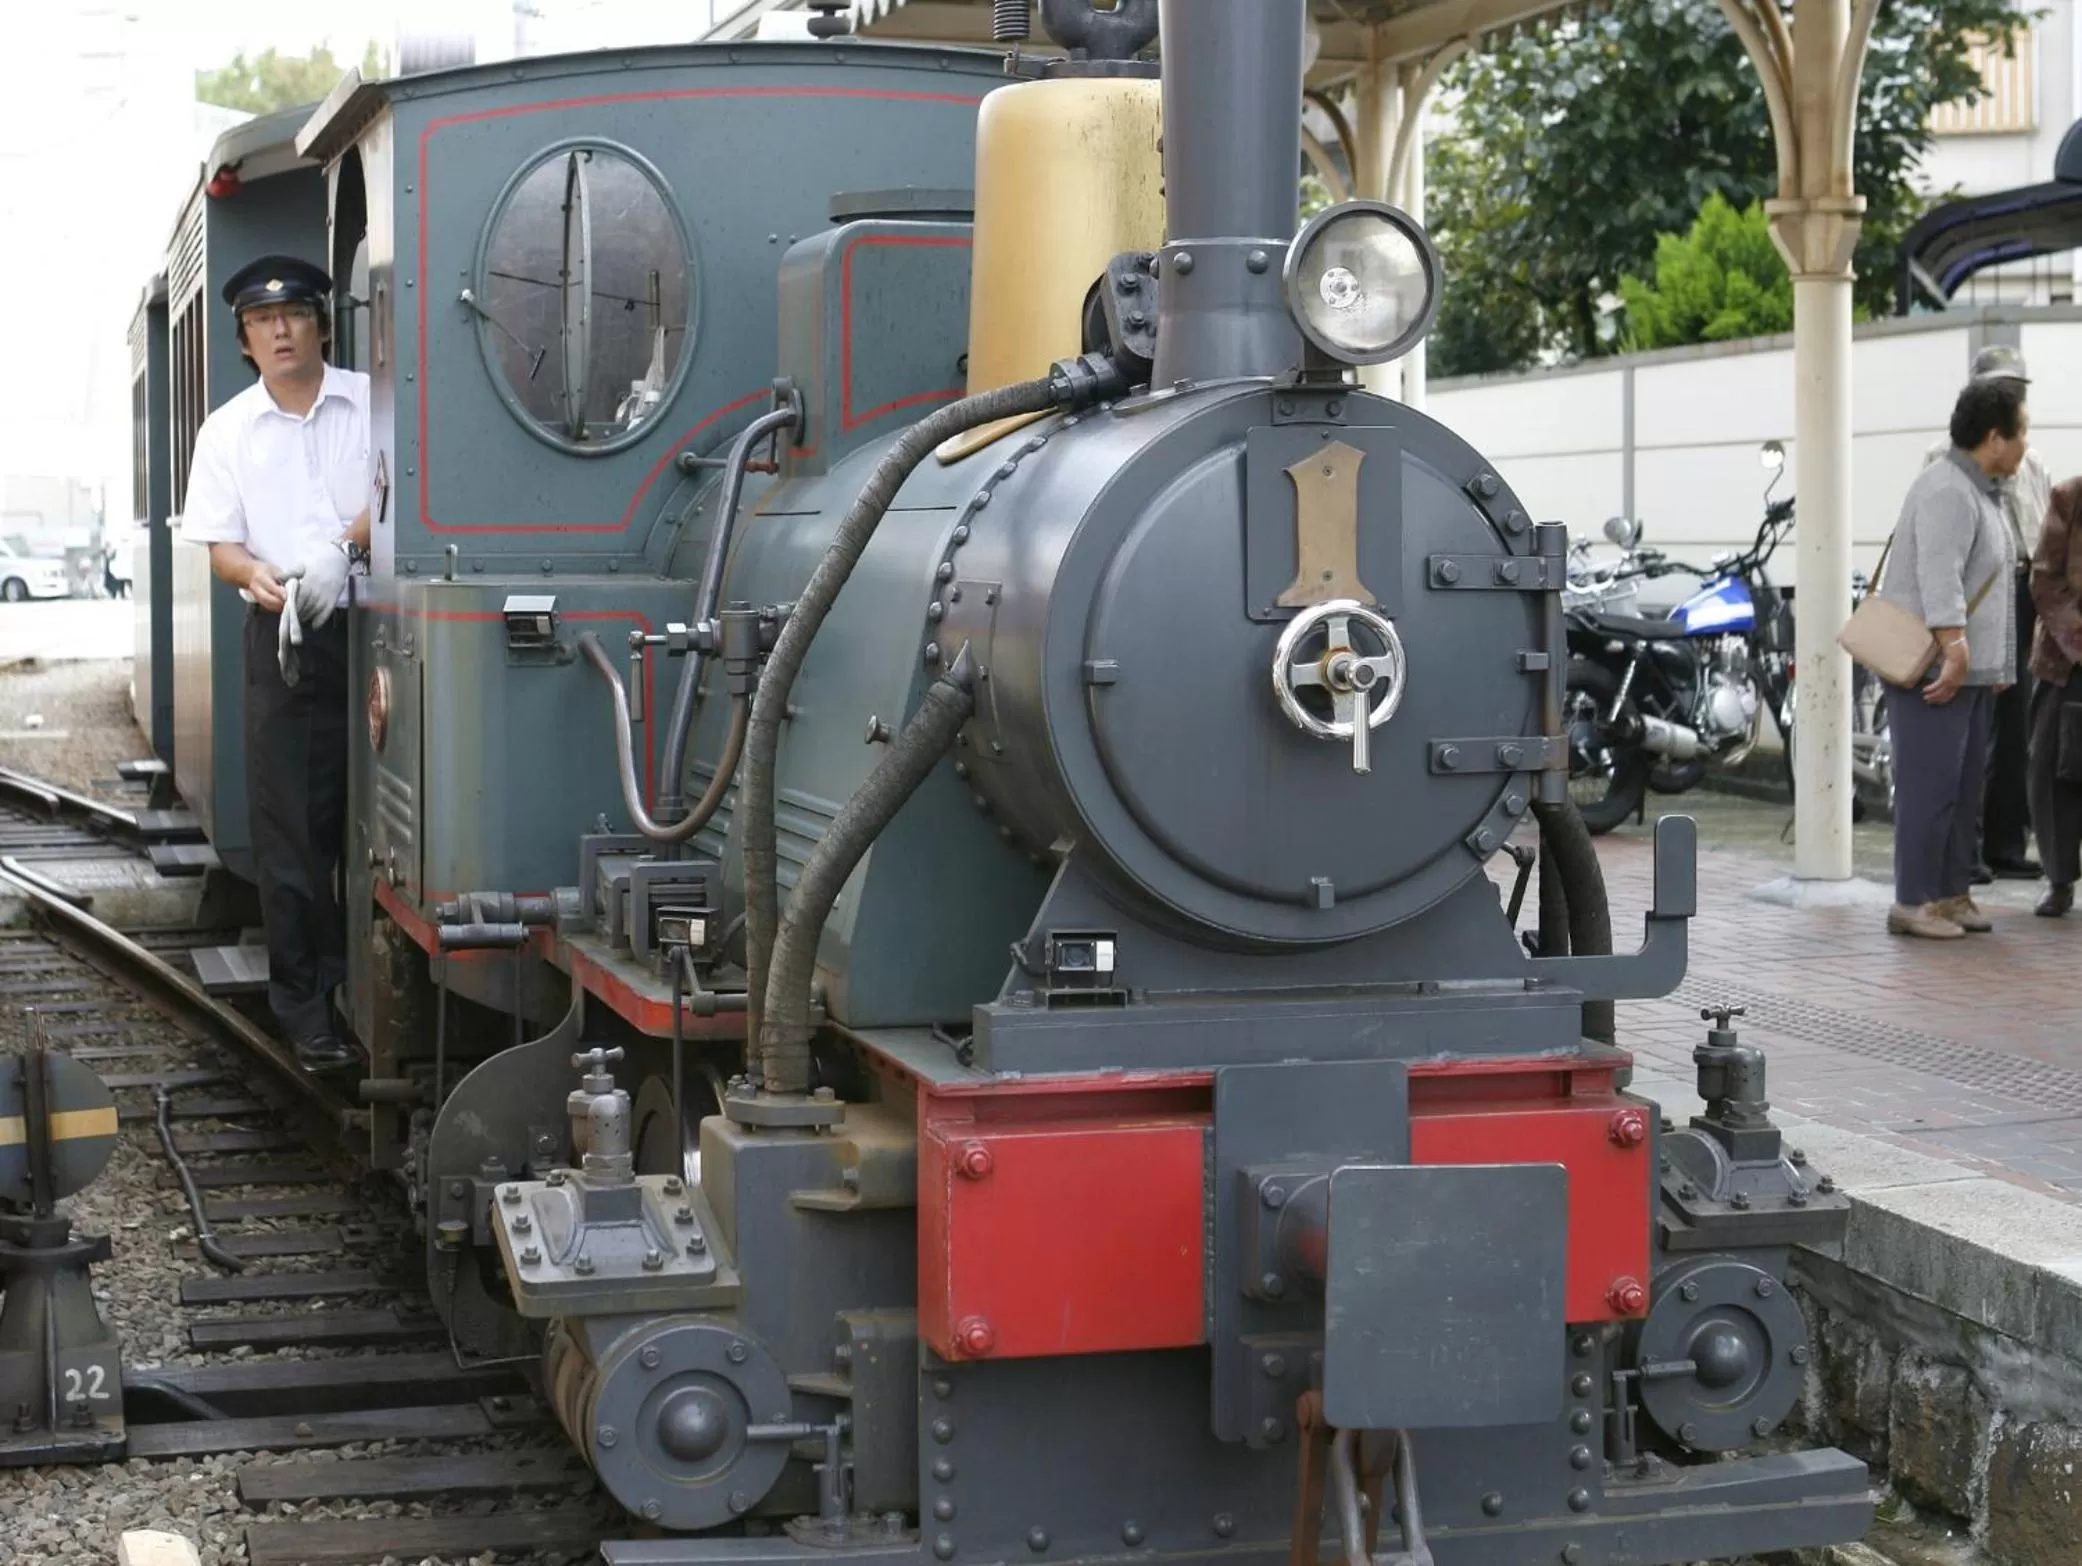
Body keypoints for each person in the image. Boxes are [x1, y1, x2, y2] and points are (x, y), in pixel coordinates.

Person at [180, 255, 369, 1071]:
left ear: (322, 324)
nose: (281, 330)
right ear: (247, 341)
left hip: (382, 625)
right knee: (293, 828)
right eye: (263, 322)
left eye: (294, 314)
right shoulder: (225, 429)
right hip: (284, 627)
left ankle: (372, 987)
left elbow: (394, 493)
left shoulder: (373, 401)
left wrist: (341, 547)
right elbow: (221, 544)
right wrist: (252, 574)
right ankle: (307, 1007)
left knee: (381, 822)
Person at [1881, 377, 2025, 939]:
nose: (2024, 444)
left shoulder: (1980, 489)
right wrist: (1956, 647)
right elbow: (1938, 574)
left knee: (1964, 791)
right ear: (1994, 437)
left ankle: (1950, 894)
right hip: (1936, 666)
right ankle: (1912, 901)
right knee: (1930, 788)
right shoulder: (1946, 488)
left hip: (1967, 670)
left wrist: (1993, 664)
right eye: (2021, 432)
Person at [1923, 345, 2052, 881]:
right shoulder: (1943, 459)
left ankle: (2005, 843)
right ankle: (1963, 850)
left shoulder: (2033, 460)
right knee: (1970, 725)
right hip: (1972, 596)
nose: (2011, 396)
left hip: (2023, 592)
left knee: (2017, 723)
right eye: (2000, 387)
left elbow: (2043, 530)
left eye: (2016, 387)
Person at [2029, 477, 2082, 917]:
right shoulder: (2070, 496)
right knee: (2052, 768)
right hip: (2067, 657)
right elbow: (2045, 579)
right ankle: (2060, 877)